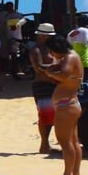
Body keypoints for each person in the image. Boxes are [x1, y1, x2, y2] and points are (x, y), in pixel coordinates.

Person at [41, 35, 84, 175]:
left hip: (66, 105)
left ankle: (68, 173)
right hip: (71, 103)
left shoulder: (69, 57)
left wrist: (49, 73)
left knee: (65, 141)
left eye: (52, 51)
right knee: (73, 141)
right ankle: (75, 172)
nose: (52, 54)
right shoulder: (73, 57)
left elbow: (64, 75)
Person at [29, 24, 58, 154]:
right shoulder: (36, 50)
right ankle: (44, 144)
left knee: (50, 115)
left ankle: (45, 144)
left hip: (50, 84)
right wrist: (55, 67)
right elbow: (38, 68)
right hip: (42, 85)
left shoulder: (48, 49)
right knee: (44, 115)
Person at [67, 13, 88, 81]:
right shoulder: (85, 31)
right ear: (87, 23)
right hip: (85, 64)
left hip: (74, 65)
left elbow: (67, 46)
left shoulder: (71, 33)